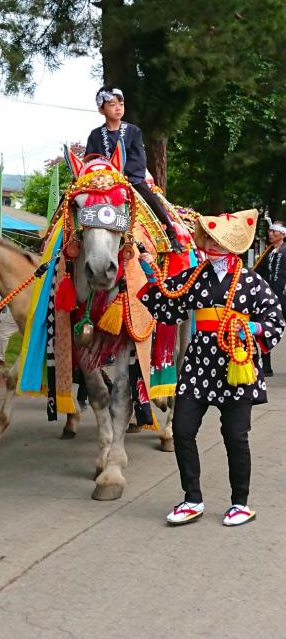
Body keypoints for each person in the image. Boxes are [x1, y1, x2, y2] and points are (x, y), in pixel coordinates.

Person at [137, 209, 285, 527]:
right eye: (209, 239)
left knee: (235, 436)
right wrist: (149, 271)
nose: (208, 245)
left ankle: (240, 503)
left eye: (214, 240)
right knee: (182, 430)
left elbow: (275, 319)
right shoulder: (195, 276)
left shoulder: (251, 281)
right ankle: (192, 499)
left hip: (236, 361)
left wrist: (253, 330)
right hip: (199, 363)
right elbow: (167, 301)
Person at [85, 86, 183, 253]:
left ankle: (171, 235)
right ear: (102, 110)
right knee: (71, 196)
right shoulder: (95, 135)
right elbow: (90, 159)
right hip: (101, 181)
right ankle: (58, 238)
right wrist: (97, 176)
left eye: (121, 104)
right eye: (112, 104)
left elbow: (138, 159)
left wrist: (125, 176)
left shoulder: (133, 131)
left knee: (150, 198)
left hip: (130, 179)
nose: (118, 108)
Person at [254, 221, 286, 376]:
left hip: (284, 297)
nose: (271, 233)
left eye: (274, 231)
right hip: (269, 299)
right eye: (270, 231)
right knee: (266, 328)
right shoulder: (267, 252)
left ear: (283, 234)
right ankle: (266, 366)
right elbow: (257, 273)